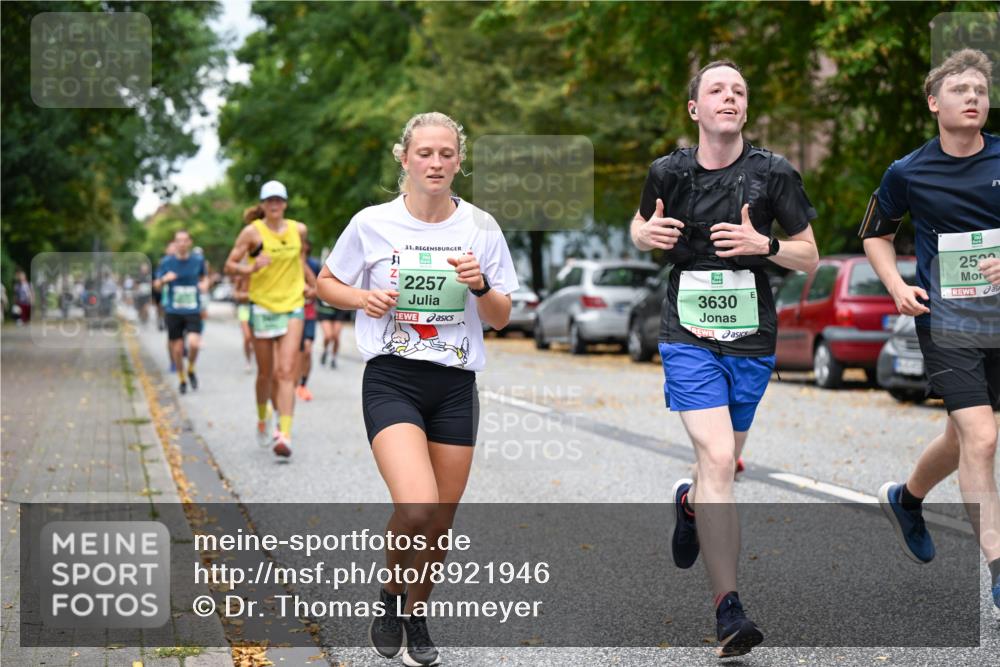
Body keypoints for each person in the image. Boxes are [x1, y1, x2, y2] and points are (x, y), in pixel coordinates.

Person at [630, 60, 819, 657]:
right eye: (717, 89)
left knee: (723, 465)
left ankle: (689, 503)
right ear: (696, 109)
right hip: (687, 333)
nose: (730, 96)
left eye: (739, 89)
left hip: (751, 339)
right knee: (715, 456)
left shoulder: (774, 174)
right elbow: (639, 225)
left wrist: (763, 245)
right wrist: (645, 237)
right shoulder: (667, 171)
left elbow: (809, 256)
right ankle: (728, 609)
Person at [317, 112, 517, 667]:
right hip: (393, 379)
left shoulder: (481, 227)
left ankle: (415, 614)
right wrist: (363, 299)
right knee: (418, 505)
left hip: (455, 385)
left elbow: (500, 316)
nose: (436, 163)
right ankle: (388, 595)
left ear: (459, 161)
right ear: (404, 157)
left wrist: (479, 283)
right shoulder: (371, 224)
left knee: (441, 520)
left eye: (446, 153)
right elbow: (326, 282)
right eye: (424, 152)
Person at [860, 48, 1000, 609]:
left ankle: (907, 498)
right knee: (983, 437)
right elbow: (876, 232)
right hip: (947, 319)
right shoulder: (908, 171)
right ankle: (997, 566)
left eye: (981, 91)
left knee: (963, 436)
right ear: (933, 102)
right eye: (961, 89)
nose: (973, 98)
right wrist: (895, 284)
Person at [225, 180, 315, 458]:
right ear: (263, 205)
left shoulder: (298, 229)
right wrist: (251, 268)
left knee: (286, 371)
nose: (274, 205)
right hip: (263, 307)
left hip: (292, 306)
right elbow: (229, 267)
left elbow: (299, 263)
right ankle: (263, 417)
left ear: (285, 203)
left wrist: (315, 285)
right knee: (265, 374)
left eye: (279, 200)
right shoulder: (252, 233)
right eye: (269, 200)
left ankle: (284, 433)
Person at [153, 230, 208, 394]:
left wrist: (205, 284)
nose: (182, 244)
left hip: (192, 309)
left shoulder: (198, 260)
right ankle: (182, 378)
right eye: (179, 241)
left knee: (193, 343)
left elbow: (205, 277)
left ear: (189, 242)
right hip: (173, 310)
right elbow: (156, 284)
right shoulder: (166, 262)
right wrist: (164, 279)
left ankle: (190, 368)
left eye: (185, 240)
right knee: (176, 350)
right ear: (175, 243)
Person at [296, 241, 322, 401]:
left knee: (307, 349)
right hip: (291, 314)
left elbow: (320, 288)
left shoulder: (313, 265)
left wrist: (310, 292)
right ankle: (291, 382)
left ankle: (303, 384)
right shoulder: (287, 264)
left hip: (309, 314)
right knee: (294, 352)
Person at [233, 269, 255, 373]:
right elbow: (235, 294)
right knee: (247, 337)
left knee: (256, 339)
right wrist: (247, 296)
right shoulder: (240, 277)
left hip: (256, 307)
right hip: (244, 308)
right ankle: (248, 361)